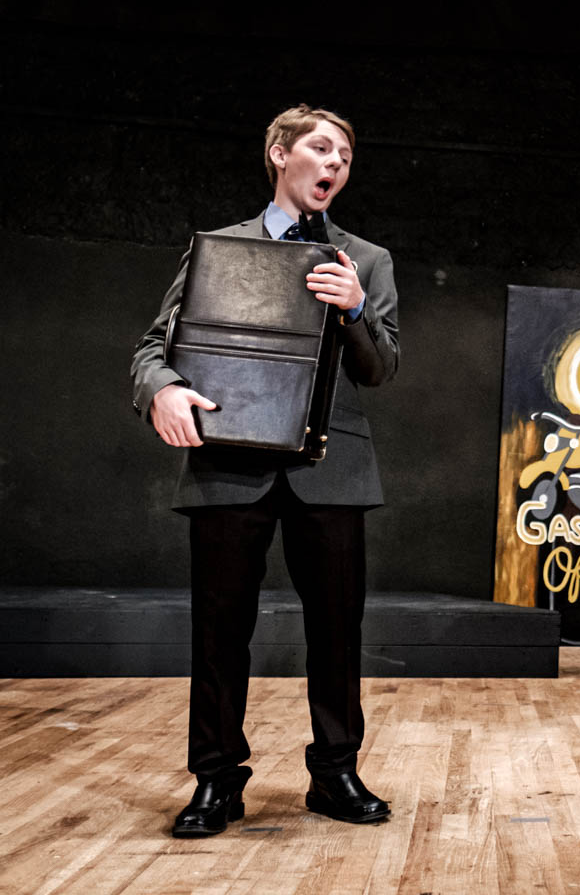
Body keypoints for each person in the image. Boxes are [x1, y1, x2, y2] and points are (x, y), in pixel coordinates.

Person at [130, 105, 400, 837]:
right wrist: (163, 390)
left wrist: (355, 310)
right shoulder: (219, 249)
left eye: (346, 155)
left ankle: (335, 773)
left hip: (331, 467)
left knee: (337, 631)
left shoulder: (365, 260)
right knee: (219, 632)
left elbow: (381, 368)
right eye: (322, 148)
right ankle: (216, 780)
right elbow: (154, 347)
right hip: (229, 461)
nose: (336, 163)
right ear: (280, 154)